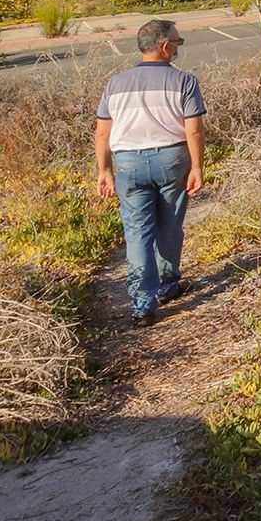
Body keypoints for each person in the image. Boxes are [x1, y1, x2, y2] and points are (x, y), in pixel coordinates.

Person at [94, 18, 206, 326]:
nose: (179, 48)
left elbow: (102, 133)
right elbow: (194, 130)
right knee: (169, 227)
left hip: (128, 164)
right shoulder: (184, 81)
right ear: (165, 47)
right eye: (178, 43)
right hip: (172, 160)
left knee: (137, 233)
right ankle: (168, 285)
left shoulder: (115, 84)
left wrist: (105, 170)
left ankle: (142, 306)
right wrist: (197, 166)